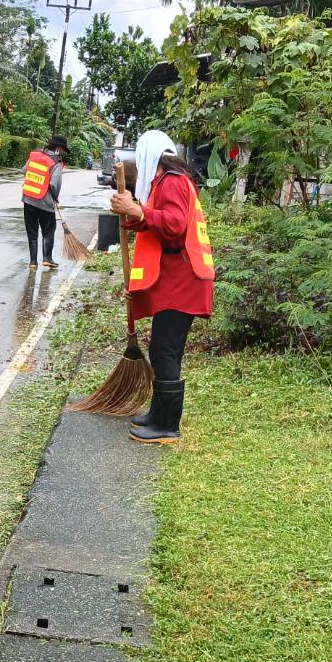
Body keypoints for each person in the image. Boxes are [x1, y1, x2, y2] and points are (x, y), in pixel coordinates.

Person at [110, 129, 215, 445]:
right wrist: (134, 213)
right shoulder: (170, 181)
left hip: (184, 280)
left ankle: (167, 426)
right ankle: (158, 416)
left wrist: (137, 210)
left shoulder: (172, 181)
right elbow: (157, 228)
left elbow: (173, 225)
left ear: (147, 157)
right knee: (161, 347)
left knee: (166, 349)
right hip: (178, 278)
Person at [21, 134, 66, 270]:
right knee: (48, 230)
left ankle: (33, 262)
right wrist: (55, 197)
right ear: (58, 148)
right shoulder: (56, 162)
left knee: (32, 231)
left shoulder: (35, 155)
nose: (63, 153)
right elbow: (55, 184)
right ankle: (47, 258)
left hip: (28, 199)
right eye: (63, 150)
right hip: (44, 203)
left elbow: (24, 171)